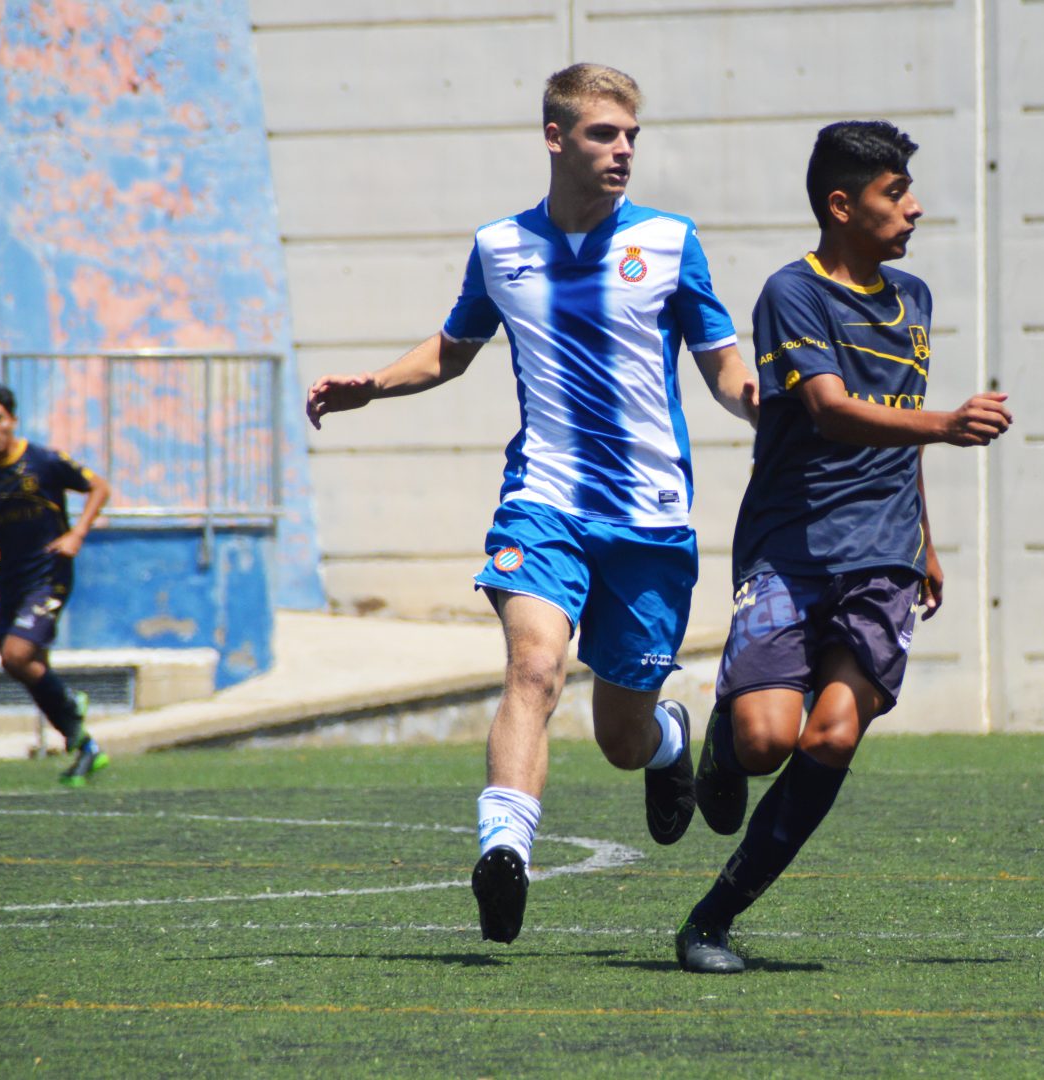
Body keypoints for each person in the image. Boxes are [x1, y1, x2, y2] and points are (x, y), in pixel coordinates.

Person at [305, 63, 759, 945]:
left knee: (618, 735)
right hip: (540, 500)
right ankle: (504, 852)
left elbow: (722, 365)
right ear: (555, 138)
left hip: (648, 518)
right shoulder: (499, 247)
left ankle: (667, 742)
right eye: (602, 134)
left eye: (630, 135)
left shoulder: (670, 242)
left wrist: (768, 402)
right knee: (534, 668)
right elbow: (452, 347)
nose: (621, 150)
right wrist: (373, 386)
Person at [674, 121, 1013, 973]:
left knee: (829, 738)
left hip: (885, 552)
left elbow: (897, 431)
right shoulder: (791, 293)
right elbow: (826, 408)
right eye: (894, 193)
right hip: (790, 546)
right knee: (763, 742)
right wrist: (945, 423)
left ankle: (710, 920)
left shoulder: (917, 300)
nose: (913, 207)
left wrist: (926, 541)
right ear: (841, 204)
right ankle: (719, 739)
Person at [0, 383, 114, 787]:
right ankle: (84, 744)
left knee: (16, 654)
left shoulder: (42, 461)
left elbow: (100, 487)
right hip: (11, 581)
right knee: (18, 663)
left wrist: (77, 534)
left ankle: (72, 708)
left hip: (49, 575)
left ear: (12, 420)